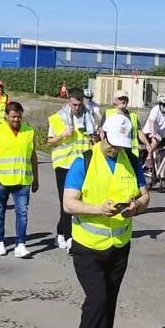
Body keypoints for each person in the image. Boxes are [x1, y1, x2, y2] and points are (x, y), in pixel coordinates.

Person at [62, 114, 154, 328]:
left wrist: (136, 207)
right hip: (88, 247)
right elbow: (69, 203)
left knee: (109, 304)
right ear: (102, 134)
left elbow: (145, 196)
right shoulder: (83, 162)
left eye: (121, 144)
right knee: (97, 301)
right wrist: (98, 209)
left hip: (119, 246)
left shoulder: (131, 161)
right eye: (113, 143)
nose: (116, 148)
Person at [0, 101, 38, 258]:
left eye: (19, 117)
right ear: (6, 116)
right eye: (13, 117)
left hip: (22, 181)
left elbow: (33, 155)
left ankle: (21, 244)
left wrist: (36, 178)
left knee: (22, 213)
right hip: (1, 180)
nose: (16, 120)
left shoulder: (29, 131)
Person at [47, 88, 98, 251]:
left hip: (82, 165)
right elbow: (50, 141)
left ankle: (61, 233)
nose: (77, 108)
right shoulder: (57, 118)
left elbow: (94, 139)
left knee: (78, 201)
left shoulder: (89, 117)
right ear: (69, 101)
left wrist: (94, 138)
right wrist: (62, 135)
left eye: (79, 104)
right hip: (63, 164)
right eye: (74, 104)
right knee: (66, 202)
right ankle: (69, 237)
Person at [139, 91, 165, 160]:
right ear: (159, 104)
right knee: (155, 141)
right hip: (149, 131)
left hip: (160, 135)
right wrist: (154, 134)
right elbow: (151, 123)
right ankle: (148, 158)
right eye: (164, 105)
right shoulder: (155, 110)